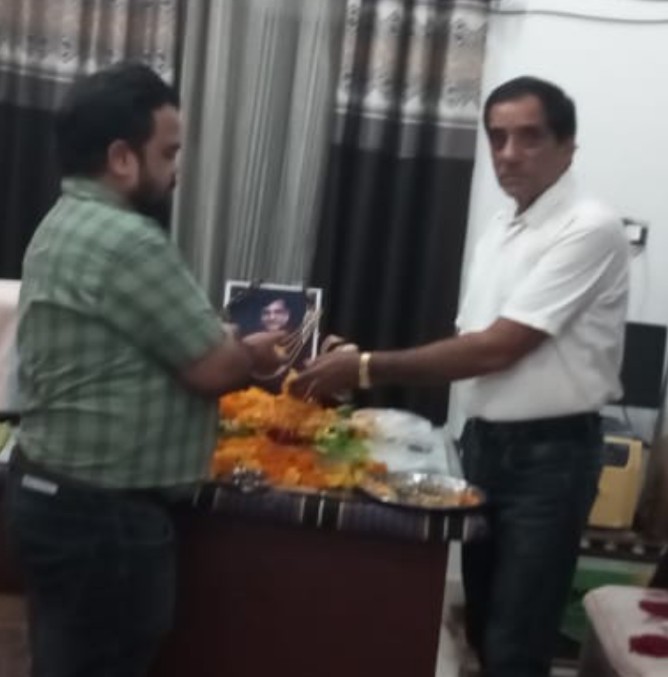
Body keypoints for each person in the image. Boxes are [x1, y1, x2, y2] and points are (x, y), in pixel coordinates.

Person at [290, 76, 629, 676]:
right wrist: (352, 356)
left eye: (528, 137)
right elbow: (468, 338)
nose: (508, 154)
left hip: (550, 459)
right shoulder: (501, 228)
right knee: (481, 626)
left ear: (568, 146)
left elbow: (498, 349)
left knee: (516, 641)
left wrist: (364, 367)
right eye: (496, 137)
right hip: (484, 446)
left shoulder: (589, 226)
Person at [5, 62, 285, 677]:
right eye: (169, 152)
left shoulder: (61, 221)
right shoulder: (129, 240)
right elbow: (212, 368)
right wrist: (253, 353)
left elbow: (146, 337)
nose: (176, 169)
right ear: (121, 158)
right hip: (102, 518)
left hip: (53, 495)